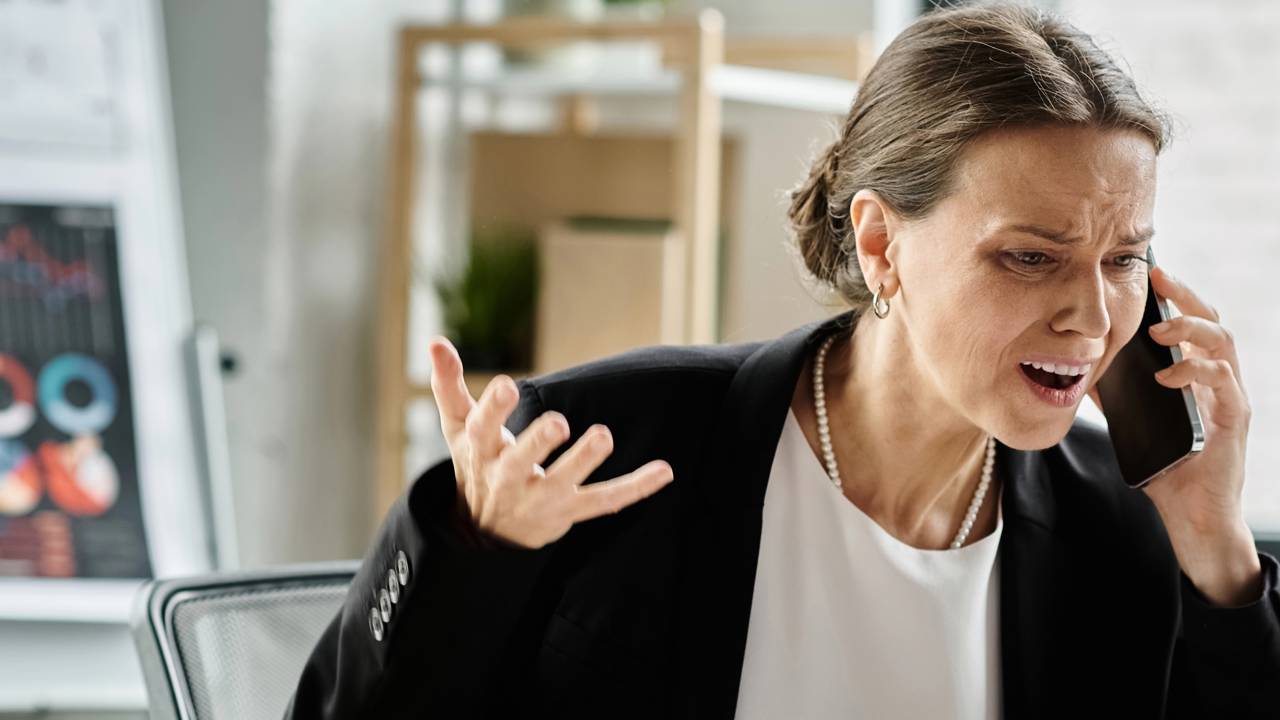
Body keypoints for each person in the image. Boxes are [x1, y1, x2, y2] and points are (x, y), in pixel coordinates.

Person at [284, 3, 1279, 718]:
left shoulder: (1118, 526)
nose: (1094, 316)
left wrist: (1215, 551)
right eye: (1029, 257)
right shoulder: (600, 453)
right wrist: (473, 554)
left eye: (1124, 258)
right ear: (881, 245)